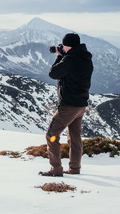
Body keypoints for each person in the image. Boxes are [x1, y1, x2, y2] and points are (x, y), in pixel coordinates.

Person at [39, 33, 93, 177]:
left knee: (51, 134)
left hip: (69, 106)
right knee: (75, 138)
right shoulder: (85, 58)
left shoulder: (71, 59)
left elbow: (53, 73)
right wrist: (64, 55)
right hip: (81, 106)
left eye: (63, 45)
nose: (61, 47)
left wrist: (59, 56)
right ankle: (75, 169)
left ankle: (56, 169)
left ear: (68, 45)